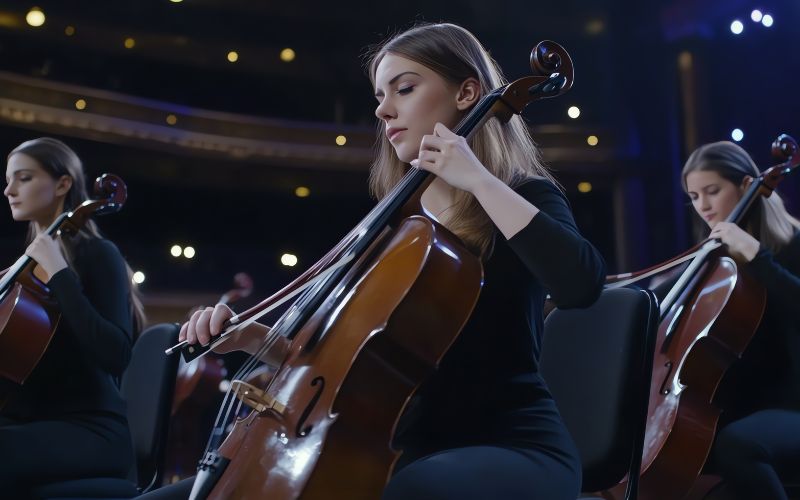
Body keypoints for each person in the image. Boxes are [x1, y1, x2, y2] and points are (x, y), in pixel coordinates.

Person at [158, 22, 606, 500]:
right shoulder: (397, 226)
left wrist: (478, 180)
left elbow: (580, 284)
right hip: (390, 448)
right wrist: (254, 340)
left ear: (468, 92)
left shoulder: (520, 195)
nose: (382, 109)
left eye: (404, 88)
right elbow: (351, 359)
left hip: (508, 444)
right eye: (379, 94)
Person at [0, 137, 145, 497]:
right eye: (8, 179)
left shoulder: (97, 255)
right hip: (32, 424)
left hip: (91, 431)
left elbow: (116, 354)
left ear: (63, 184)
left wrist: (61, 274)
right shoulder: (21, 278)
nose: (8, 190)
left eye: (24, 178)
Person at [678, 141, 800, 499]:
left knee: (736, 445)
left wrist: (756, 255)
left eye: (713, 191)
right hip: (761, 402)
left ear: (747, 186)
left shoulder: (792, 246)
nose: (703, 206)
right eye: (694, 196)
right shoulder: (720, 262)